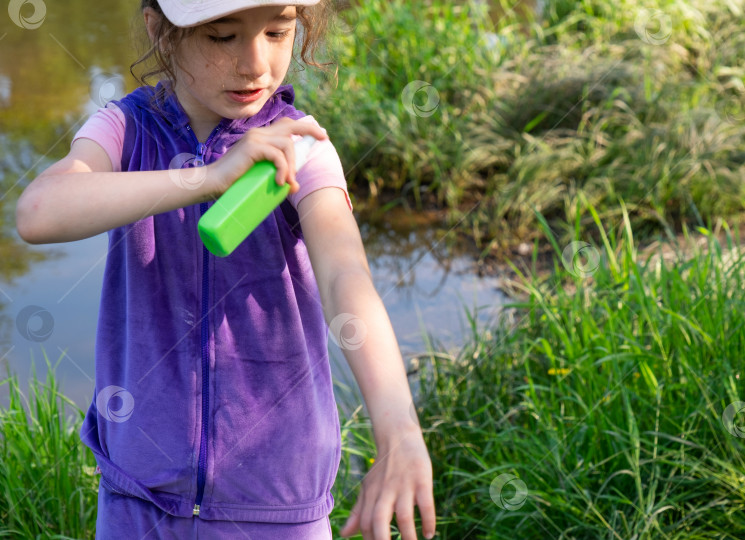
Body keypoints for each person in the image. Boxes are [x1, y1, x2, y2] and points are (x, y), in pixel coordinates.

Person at [15, 1, 436, 538]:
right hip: (136, 501)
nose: (256, 63)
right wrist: (207, 178)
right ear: (161, 32)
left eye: (278, 32)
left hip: (276, 507)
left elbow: (345, 278)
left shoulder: (301, 149)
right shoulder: (124, 129)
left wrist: (398, 428)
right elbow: (38, 212)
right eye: (222, 36)